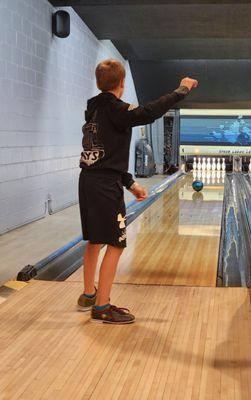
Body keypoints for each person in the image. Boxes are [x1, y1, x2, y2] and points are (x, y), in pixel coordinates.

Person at [77, 59, 198, 324]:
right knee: (116, 243)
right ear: (121, 84)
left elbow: (106, 158)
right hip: (104, 186)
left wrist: (131, 185)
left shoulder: (95, 109)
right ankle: (102, 306)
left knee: (95, 240)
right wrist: (181, 91)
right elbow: (148, 112)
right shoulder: (116, 109)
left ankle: (88, 294)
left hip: (88, 180)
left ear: (99, 83)